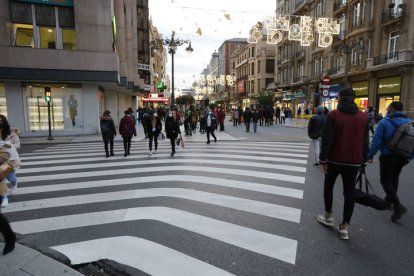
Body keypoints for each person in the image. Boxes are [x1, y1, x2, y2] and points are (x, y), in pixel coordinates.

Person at [317, 88, 369, 240]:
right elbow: (366, 141)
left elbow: (327, 140)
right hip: (354, 161)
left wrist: (323, 159)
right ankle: (345, 227)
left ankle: (328, 216)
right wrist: (363, 161)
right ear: (354, 99)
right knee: (349, 193)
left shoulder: (333, 115)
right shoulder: (363, 117)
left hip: (334, 159)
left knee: (329, 187)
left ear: (340, 98)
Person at [368, 101, 414, 222]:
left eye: (388, 107)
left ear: (392, 109)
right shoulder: (409, 122)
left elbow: (376, 141)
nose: (387, 109)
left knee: (385, 181)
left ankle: (398, 206)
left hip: (388, 156)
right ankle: (390, 200)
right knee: (394, 178)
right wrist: (410, 157)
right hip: (403, 156)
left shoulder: (385, 122)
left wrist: (370, 155)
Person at [0, 115, 21, 208]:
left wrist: (9, 145)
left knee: (10, 177)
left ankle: (14, 184)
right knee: (1, 179)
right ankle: (4, 198)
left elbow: (17, 145)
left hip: (9, 159)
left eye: (1, 121)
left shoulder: (11, 133)